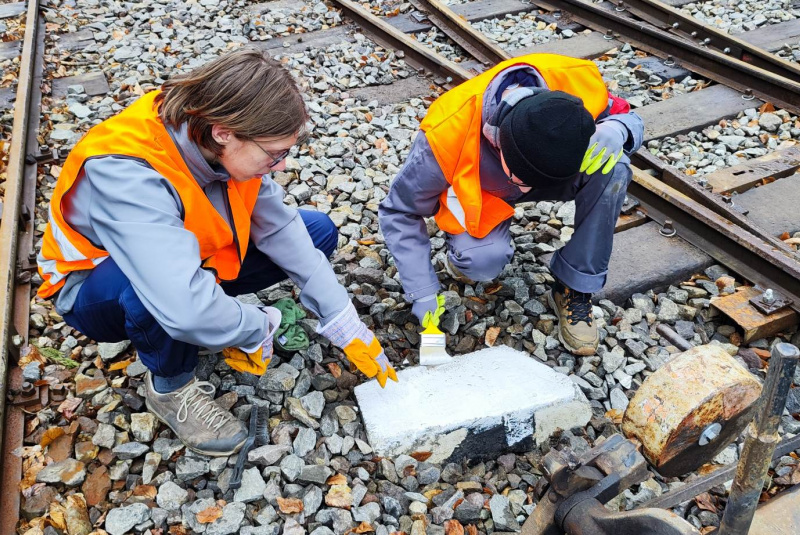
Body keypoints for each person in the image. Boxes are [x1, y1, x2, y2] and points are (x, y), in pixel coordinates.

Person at [37, 48, 397, 457]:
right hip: (92, 285)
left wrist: (339, 315)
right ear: (225, 132)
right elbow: (182, 303)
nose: (280, 166)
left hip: (182, 256)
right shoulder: (126, 171)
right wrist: (255, 325)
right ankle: (170, 387)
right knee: (154, 295)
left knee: (316, 231)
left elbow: (278, 225)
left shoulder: (215, 138)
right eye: (274, 153)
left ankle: (211, 315)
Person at [379, 53, 643, 356]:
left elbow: (628, 114)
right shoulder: (447, 132)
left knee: (614, 167)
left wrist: (620, 128)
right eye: (521, 177)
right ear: (500, 140)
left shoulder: (576, 81)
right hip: (483, 191)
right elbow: (400, 210)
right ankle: (463, 254)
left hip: (555, 170)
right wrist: (422, 290)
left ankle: (574, 287)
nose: (528, 190)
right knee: (482, 261)